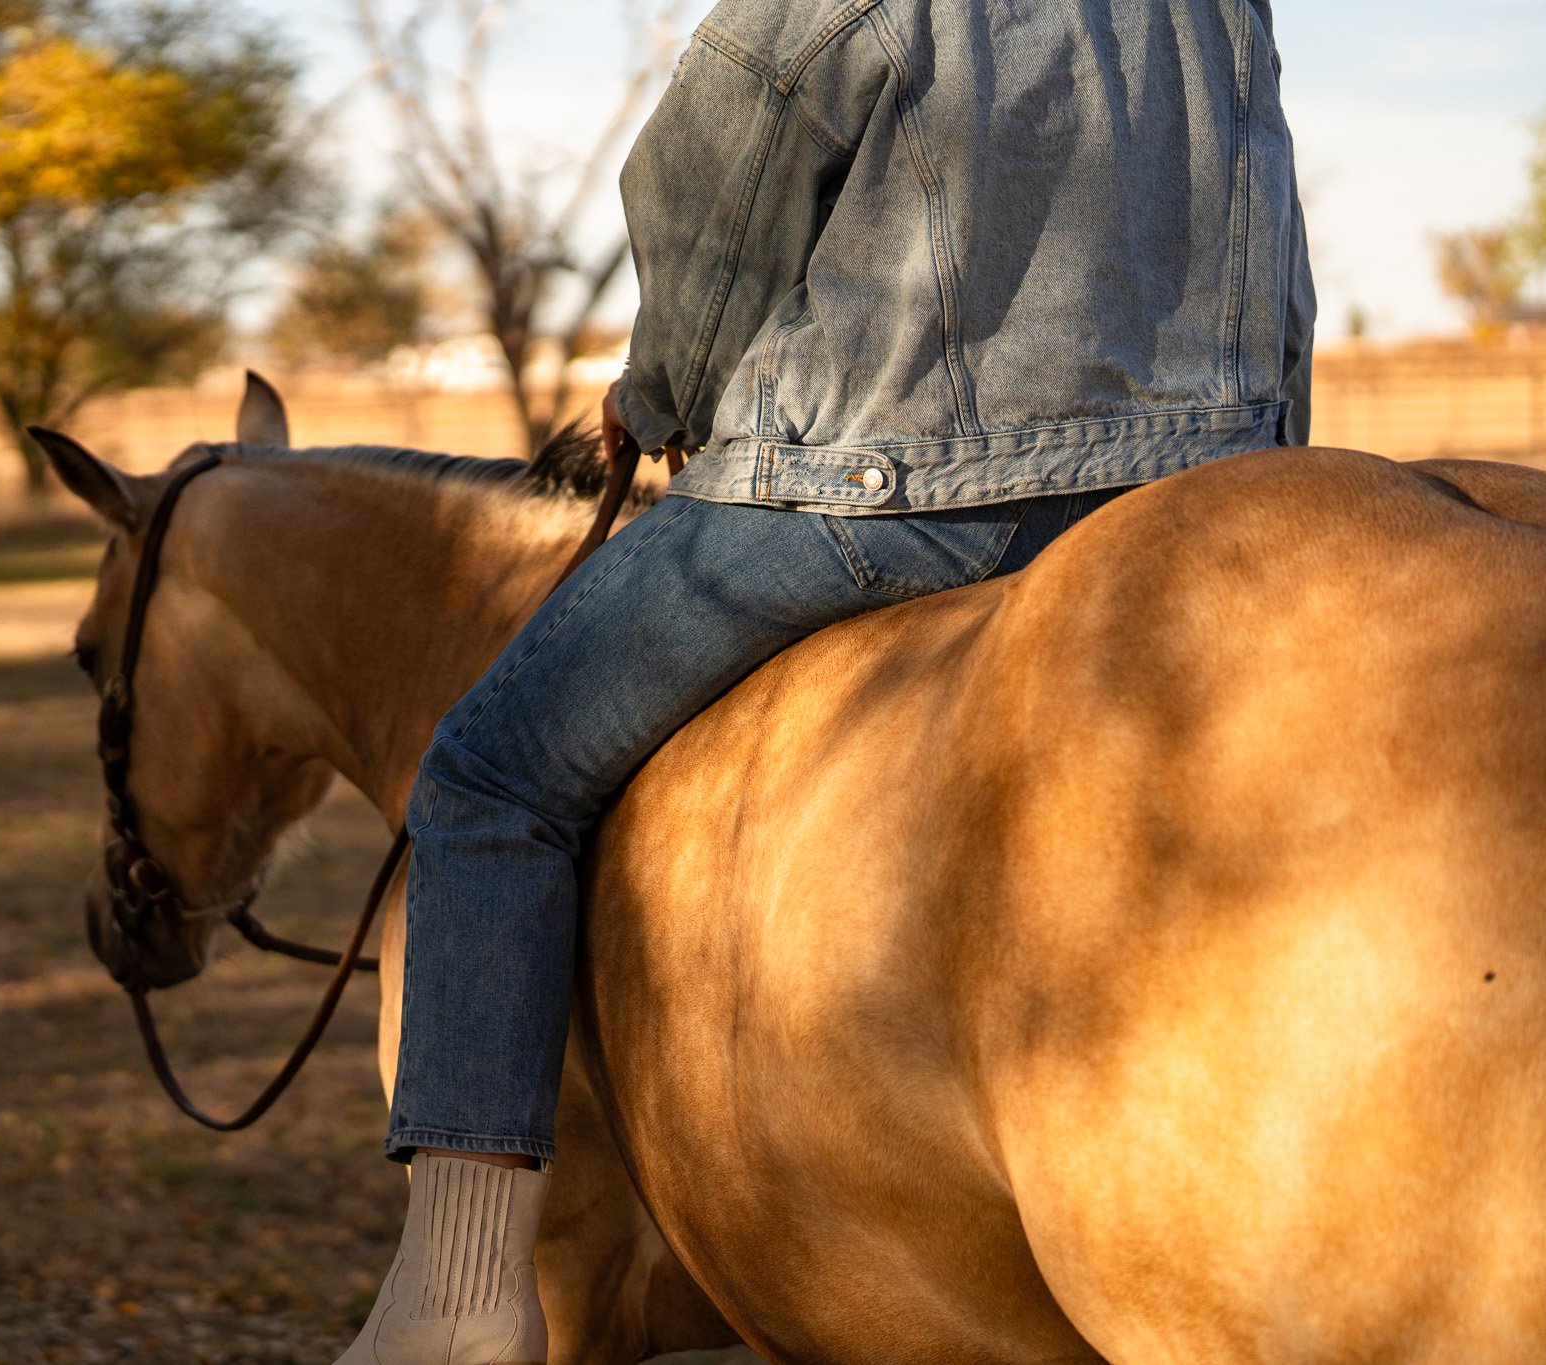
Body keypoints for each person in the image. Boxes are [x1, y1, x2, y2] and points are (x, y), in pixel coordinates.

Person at [336, 0, 1313, 1359]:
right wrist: (1268, 460)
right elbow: (1263, 222)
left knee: (489, 774)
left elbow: (722, 155)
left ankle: (457, 1301)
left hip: (891, 480)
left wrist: (666, 384)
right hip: (1199, 485)